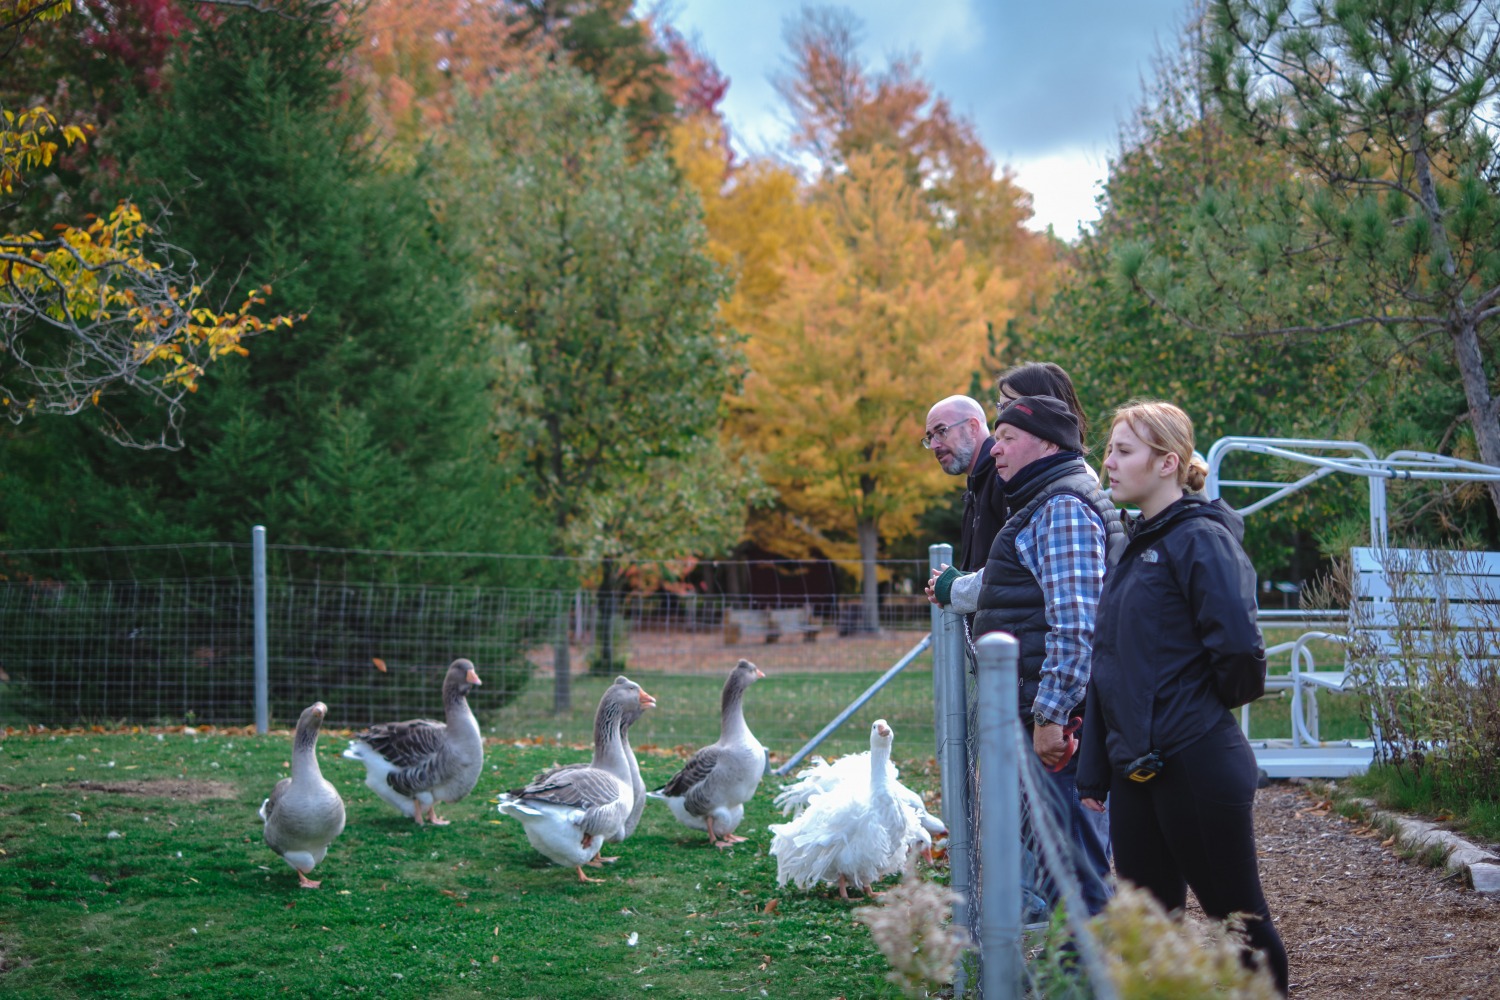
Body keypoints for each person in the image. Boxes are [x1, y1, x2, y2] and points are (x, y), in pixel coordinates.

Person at [1077, 401, 1289, 994]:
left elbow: (1242, 655)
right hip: (1137, 774)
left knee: (1238, 921)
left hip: (1196, 764)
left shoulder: (1200, 539)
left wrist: (1189, 720)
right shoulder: (1132, 545)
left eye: (1123, 451)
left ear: (1168, 462)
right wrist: (1096, 773)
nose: (1108, 464)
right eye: (1109, 450)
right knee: (1148, 927)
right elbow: (1109, 666)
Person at [970, 394, 1121, 916]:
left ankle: (1090, 981)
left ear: (1049, 444)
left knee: (1075, 868)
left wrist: (1052, 716)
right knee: (1065, 862)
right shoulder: (1048, 499)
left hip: (1063, 732)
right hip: (1052, 719)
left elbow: (1077, 624)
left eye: (1009, 438)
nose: (995, 450)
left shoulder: (1061, 507)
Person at [921, 395, 998, 574]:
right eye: (930, 437)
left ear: (973, 427)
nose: (933, 445)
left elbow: (1013, 572)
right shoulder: (976, 484)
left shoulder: (1003, 475)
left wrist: (955, 585)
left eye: (941, 431)